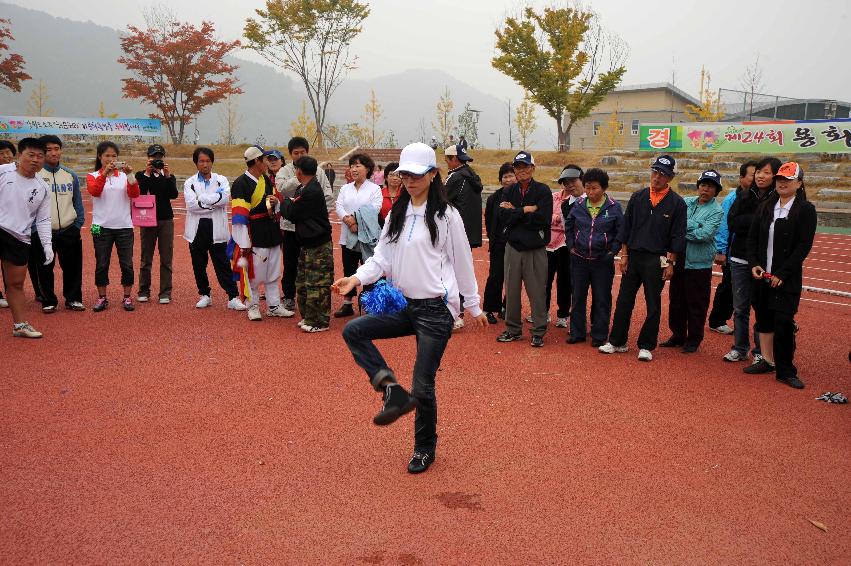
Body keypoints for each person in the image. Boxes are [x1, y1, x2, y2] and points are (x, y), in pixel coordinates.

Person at [334, 142, 486, 474]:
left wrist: (473, 306)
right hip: (406, 306)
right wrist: (356, 279)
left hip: (436, 310)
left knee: (423, 385)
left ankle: (424, 448)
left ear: (433, 175)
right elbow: (382, 258)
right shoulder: (397, 214)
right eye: (405, 174)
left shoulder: (447, 215)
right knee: (354, 331)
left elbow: (462, 263)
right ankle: (390, 389)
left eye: (417, 174)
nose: (410, 180)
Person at [599, 155, 686, 361]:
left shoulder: (677, 203)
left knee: (653, 304)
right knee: (623, 301)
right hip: (634, 256)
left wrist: (671, 263)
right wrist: (624, 255)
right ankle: (617, 341)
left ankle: (646, 345)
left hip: (656, 259)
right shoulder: (637, 197)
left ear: (670, 178)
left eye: (663, 174)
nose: (657, 177)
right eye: (655, 172)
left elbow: (677, 235)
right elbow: (626, 227)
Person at [746, 161, 816, 389]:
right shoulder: (767, 205)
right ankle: (767, 360)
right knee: (763, 319)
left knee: (784, 322)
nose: (782, 183)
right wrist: (754, 263)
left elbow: (803, 246)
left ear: (799, 183)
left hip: (786, 279)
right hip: (761, 275)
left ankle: (785, 369)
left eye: (788, 179)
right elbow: (753, 238)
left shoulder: (805, 210)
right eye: (780, 179)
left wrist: (783, 273)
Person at [724, 157, 780, 365]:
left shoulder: (777, 199)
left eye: (766, 172)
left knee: (762, 307)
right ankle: (739, 348)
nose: (760, 176)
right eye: (758, 172)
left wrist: (752, 223)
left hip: (764, 262)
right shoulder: (744, 195)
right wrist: (756, 222)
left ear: (775, 175)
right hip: (739, 258)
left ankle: (760, 350)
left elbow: (770, 228)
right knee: (740, 307)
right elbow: (733, 222)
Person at [660, 170, 723, 353]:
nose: (705, 189)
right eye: (703, 185)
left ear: (716, 190)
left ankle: (694, 339)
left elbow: (704, 235)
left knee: (696, 303)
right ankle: (677, 335)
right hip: (679, 259)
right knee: (676, 300)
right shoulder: (686, 202)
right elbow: (672, 224)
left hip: (699, 264)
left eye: (710, 186)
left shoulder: (716, 210)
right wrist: (694, 225)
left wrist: (683, 229)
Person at [496, 151, 553, 348]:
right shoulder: (509, 191)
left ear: (532, 168)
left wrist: (515, 212)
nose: (522, 170)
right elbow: (504, 217)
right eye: (518, 167)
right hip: (513, 247)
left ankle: (538, 331)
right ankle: (513, 329)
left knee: (537, 292)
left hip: (535, 249)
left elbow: (543, 219)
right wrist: (526, 209)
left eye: (525, 166)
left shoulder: (543, 190)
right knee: (511, 291)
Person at [0, 138, 54, 338]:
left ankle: (20, 325)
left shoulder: (43, 187)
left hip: (19, 237)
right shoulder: (4, 172)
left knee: (15, 284)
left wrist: (47, 245)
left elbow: (43, 219)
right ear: (19, 155)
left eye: (40, 156)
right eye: (30, 155)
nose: (35, 160)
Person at [564, 168, 623, 347]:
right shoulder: (579, 204)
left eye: (595, 188)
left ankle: (599, 334)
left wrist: (612, 251)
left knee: (602, 298)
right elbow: (569, 225)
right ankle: (577, 332)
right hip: (579, 259)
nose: (590, 192)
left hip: (602, 261)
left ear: (604, 188)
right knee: (578, 297)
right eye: (588, 188)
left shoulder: (614, 207)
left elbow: (620, 231)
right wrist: (571, 245)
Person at [183, 147, 246, 311]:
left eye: (208, 161)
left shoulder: (221, 180)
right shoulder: (189, 183)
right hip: (197, 230)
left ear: (212, 162)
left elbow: (224, 198)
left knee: (223, 264)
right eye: (201, 161)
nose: (205, 164)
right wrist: (213, 203)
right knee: (199, 264)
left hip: (217, 229)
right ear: (196, 163)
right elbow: (191, 206)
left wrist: (202, 199)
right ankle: (204, 295)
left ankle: (232, 296)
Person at [229, 145, 288, 321]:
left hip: (272, 232)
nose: (267, 163)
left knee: (273, 272)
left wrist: (276, 202)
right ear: (256, 161)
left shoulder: (266, 179)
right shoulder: (241, 183)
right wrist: (244, 244)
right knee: (254, 275)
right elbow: (239, 217)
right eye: (264, 160)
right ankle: (252, 306)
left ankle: (274, 305)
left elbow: (274, 203)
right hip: (254, 235)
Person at [276, 137, 334, 314]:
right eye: (296, 153)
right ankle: (288, 296)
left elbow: (328, 196)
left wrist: (312, 212)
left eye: (303, 152)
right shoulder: (285, 171)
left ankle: (313, 302)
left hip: (312, 227)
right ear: (290, 154)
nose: (299, 155)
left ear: (308, 152)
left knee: (312, 265)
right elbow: (282, 190)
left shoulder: (318, 171)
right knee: (291, 263)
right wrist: (298, 176)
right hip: (290, 226)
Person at [34, 135, 85, 312]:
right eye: (48, 150)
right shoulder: (36, 176)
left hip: (69, 229)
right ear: (42, 152)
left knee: (72, 267)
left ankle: (73, 299)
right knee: (44, 267)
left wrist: (78, 224)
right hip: (43, 232)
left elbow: (77, 202)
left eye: (56, 149)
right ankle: (48, 300)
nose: (53, 153)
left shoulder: (70, 175)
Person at [88, 141, 139, 312]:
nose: (111, 159)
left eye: (114, 156)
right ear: (99, 157)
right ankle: (102, 297)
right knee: (101, 263)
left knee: (127, 263)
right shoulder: (93, 175)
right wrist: (104, 174)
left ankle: (127, 297)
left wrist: (131, 174)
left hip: (124, 226)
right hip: (99, 227)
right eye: (107, 156)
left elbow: (135, 194)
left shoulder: (124, 176)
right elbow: (95, 191)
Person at [708, 161, 757, 334]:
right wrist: (721, 251)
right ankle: (717, 320)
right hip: (732, 252)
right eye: (752, 175)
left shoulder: (757, 196)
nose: (756, 178)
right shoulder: (732, 198)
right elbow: (723, 226)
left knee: (741, 290)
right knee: (728, 287)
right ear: (741, 177)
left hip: (748, 253)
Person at [334, 152, 382, 317]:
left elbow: (375, 208)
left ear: (367, 168)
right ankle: (347, 303)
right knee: (349, 268)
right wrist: (348, 220)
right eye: (352, 166)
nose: (353, 169)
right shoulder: (345, 188)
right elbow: (339, 206)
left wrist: (355, 220)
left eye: (357, 166)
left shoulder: (375, 189)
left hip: (367, 237)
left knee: (369, 268)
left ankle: (369, 303)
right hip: (347, 236)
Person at [444, 143, 484, 330]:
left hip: (454, 231)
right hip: (469, 231)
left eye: (447, 158)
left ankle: (454, 314)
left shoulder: (455, 177)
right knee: (461, 270)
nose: (446, 162)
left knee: (451, 272)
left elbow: (443, 202)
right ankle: (457, 312)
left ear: (454, 159)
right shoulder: (472, 176)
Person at [136, 144, 178, 304]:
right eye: (154, 157)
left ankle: (165, 293)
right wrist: (147, 173)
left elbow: (173, 194)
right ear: (148, 158)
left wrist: (167, 176)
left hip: (166, 219)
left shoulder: (169, 176)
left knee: (166, 258)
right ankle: (143, 290)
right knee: (146, 257)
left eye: (160, 157)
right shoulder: (141, 175)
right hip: (147, 219)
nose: (157, 160)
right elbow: (139, 192)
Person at [547, 165, 583, 328]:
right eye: (565, 182)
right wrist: (553, 218)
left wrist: (555, 219)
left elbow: (569, 224)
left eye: (572, 181)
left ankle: (563, 314)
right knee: (544, 281)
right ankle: (542, 312)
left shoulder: (582, 200)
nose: (568, 185)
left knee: (565, 281)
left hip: (565, 245)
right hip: (547, 245)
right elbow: (542, 216)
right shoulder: (552, 197)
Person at [482, 163, 515, 324]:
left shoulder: (521, 196)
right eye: (505, 176)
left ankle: (507, 308)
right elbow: (489, 220)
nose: (508, 179)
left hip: (517, 244)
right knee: (495, 276)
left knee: (514, 278)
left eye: (511, 176)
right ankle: (489, 309)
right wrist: (493, 239)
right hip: (498, 244)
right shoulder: (494, 198)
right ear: (501, 179)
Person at [0, 140, 18, 309]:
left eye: (8, 152)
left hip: (13, 227)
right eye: (1, 153)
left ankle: (10, 292)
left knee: (10, 263)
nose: (6, 156)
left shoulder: (20, 172)